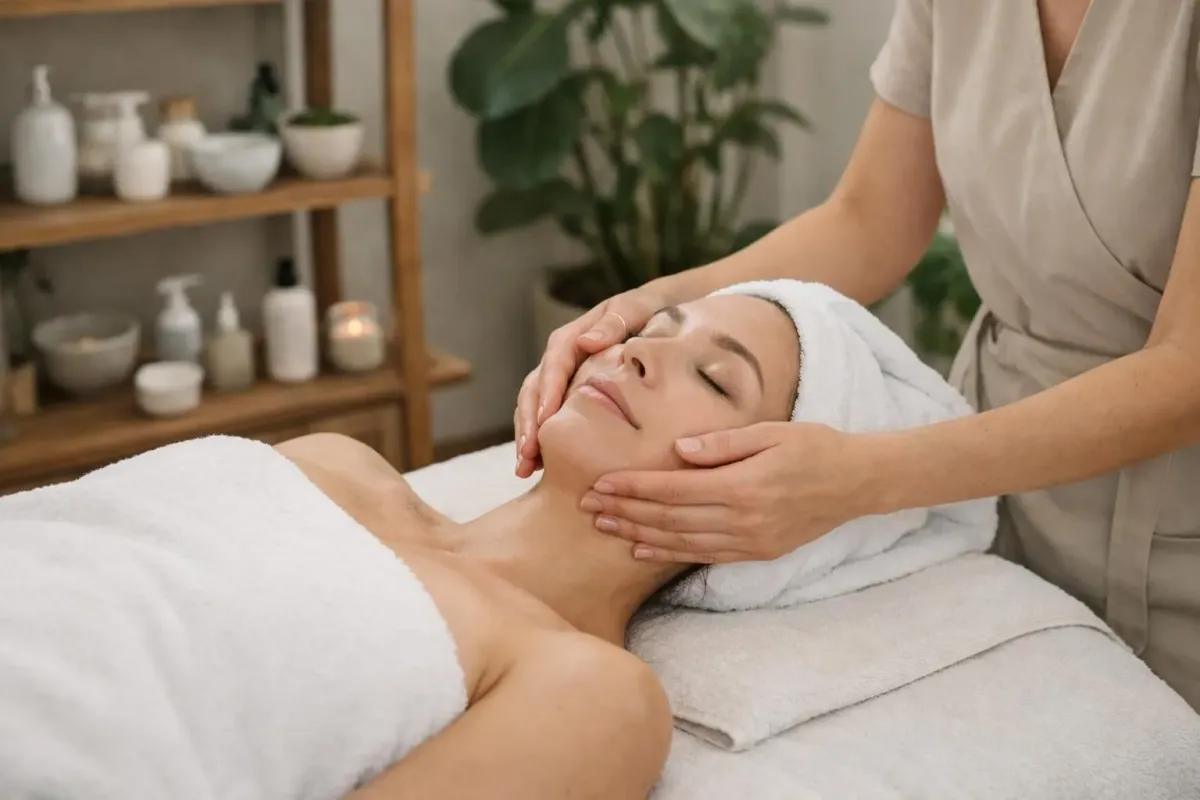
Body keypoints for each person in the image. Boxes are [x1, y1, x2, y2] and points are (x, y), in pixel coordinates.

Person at [514, 0, 1200, 712]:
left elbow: (1190, 369)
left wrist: (863, 478)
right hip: (1003, 476)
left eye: (717, 380)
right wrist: (641, 304)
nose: (636, 358)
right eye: (654, 341)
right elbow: (869, 221)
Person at [0, 292, 800, 800]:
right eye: (655, 326)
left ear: (767, 494)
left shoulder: (595, 694)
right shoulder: (338, 462)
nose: (637, 350)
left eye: (717, 379)